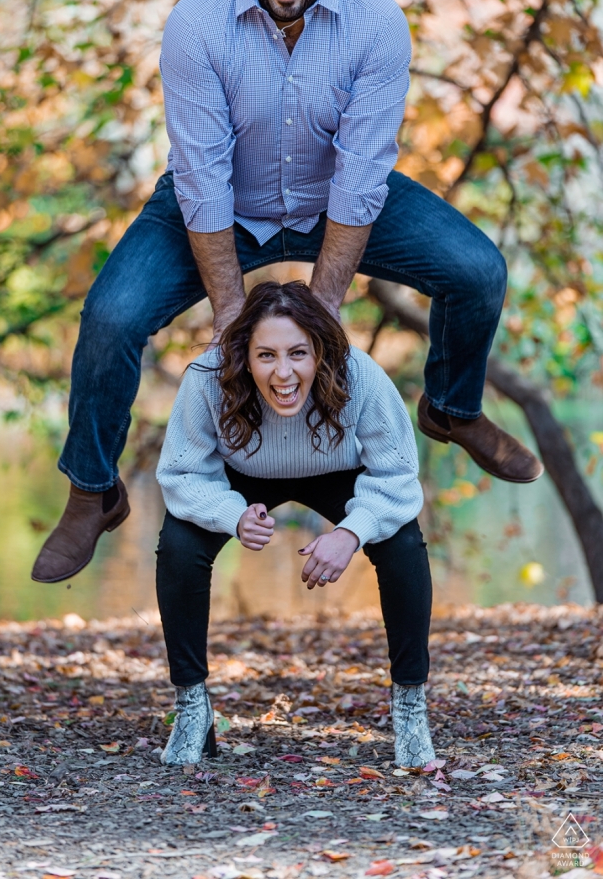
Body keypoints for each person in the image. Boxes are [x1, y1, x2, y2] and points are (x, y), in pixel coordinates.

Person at [31, 0, 542, 585]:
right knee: (111, 315)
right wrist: (235, 319)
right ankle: (94, 490)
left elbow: (362, 177)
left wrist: (325, 308)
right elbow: (202, 181)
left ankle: (452, 408)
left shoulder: (377, 23)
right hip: (220, 206)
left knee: (478, 270)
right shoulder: (196, 25)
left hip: (334, 198)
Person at [155, 280, 434, 767]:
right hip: (243, 473)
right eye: (266, 355)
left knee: (402, 543)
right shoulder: (207, 377)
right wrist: (231, 514)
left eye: (297, 353)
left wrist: (351, 532)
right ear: (244, 355)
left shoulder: (360, 376)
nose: (283, 373)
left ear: (320, 351)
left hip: (336, 470)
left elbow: (399, 477)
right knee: (179, 543)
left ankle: (410, 708)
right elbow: (180, 473)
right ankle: (191, 707)